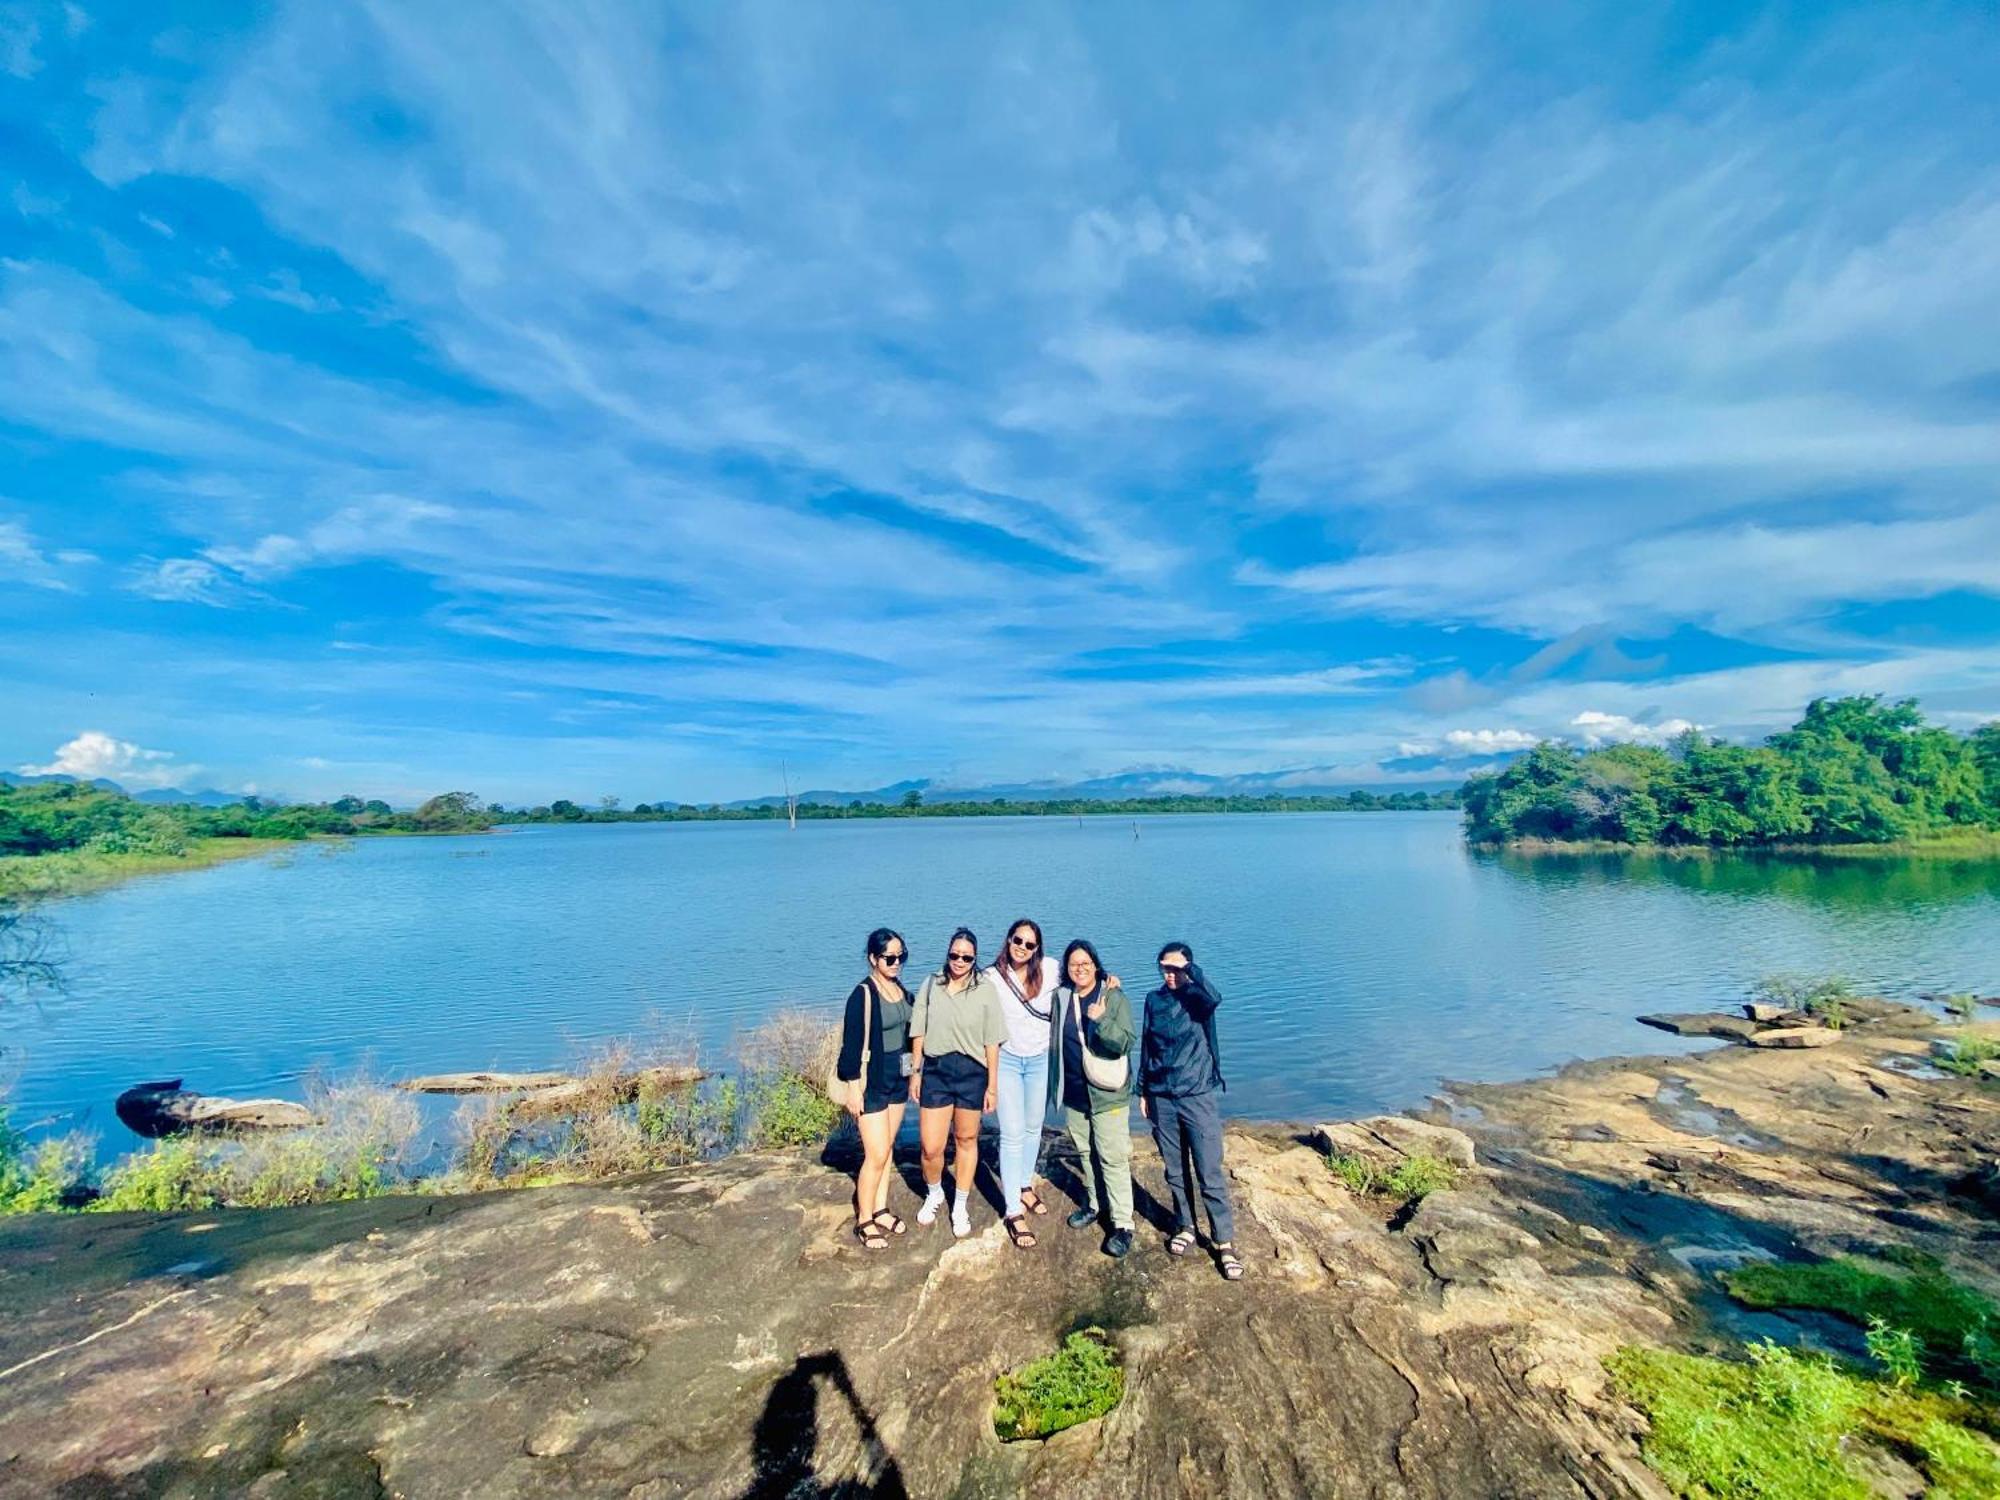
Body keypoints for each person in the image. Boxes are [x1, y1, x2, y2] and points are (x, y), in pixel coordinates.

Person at [1138, 942, 1241, 1280]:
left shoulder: (1198, 998)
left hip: (1197, 1093)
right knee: (1174, 1169)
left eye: (1176, 969)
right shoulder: (1154, 1000)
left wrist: (1189, 971)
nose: (1170, 975)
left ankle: (1223, 1241)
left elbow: (1216, 998)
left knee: (1208, 1169)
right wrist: (1142, 1090)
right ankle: (1186, 1225)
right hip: (1161, 1096)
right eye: (1165, 968)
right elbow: (1147, 1045)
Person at [909, 927, 1005, 1238]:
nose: (959, 961)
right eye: (955, 954)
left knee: (966, 1140)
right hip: (936, 1070)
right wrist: (915, 1071)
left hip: (972, 1073)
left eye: (967, 957)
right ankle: (935, 1192)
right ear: (947, 953)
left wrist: (992, 1086)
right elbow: (918, 1031)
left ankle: (960, 1203)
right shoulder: (931, 984)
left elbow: (993, 1041)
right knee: (930, 1147)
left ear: (975, 958)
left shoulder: (985, 988)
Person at [1046, 938, 1138, 1258]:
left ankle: (1123, 1224)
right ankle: (1095, 1205)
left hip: (1107, 1094)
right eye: (1074, 964)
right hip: (1074, 1093)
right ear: (1067, 969)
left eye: (1086, 964)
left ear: (1096, 966)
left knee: (1112, 1157)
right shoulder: (1062, 997)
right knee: (1086, 1153)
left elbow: (1125, 1042)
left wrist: (1100, 1019)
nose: (1080, 969)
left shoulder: (1112, 996)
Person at [835, 927, 914, 1250]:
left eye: (901, 956)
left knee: (889, 1147)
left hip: (898, 1078)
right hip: (871, 1082)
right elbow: (851, 1046)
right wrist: (853, 1088)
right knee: (876, 1153)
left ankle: (880, 1208)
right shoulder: (863, 995)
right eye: (889, 957)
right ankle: (864, 1219)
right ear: (873, 958)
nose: (896, 962)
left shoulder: (900, 989)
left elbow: (911, 1037)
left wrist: (914, 1074)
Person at [988, 917, 1060, 1249]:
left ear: (1037, 949)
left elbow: (1083, 976)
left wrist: (1108, 981)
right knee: (1012, 1132)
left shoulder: (1050, 968)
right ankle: (1013, 1210)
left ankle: (1023, 1184)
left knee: (1034, 1127)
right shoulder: (991, 977)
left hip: (1040, 1059)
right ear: (1008, 939)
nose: (1022, 948)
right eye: (1018, 940)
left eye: (1030, 944)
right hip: (1007, 1061)